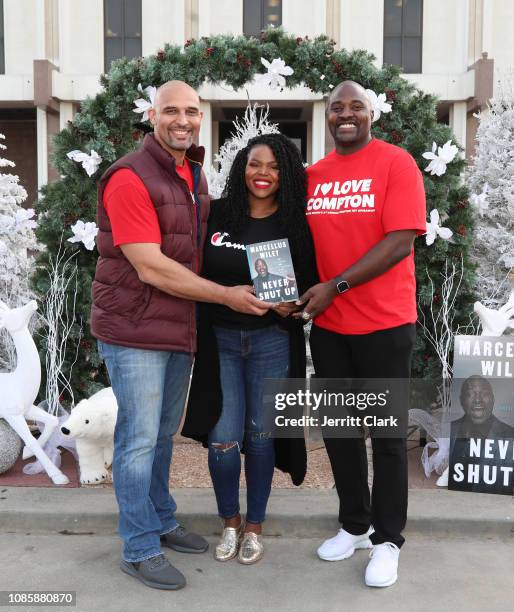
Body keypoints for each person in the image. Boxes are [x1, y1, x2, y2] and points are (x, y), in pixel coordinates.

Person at [91, 80, 270, 591]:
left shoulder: (191, 171)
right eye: (172, 110)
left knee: (162, 436)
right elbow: (150, 266)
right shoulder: (129, 176)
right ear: (152, 115)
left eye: (191, 111)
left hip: (175, 326)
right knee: (138, 440)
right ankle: (138, 545)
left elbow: (205, 243)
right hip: (135, 328)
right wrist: (226, 295)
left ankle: (162, 520)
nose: (183, 119)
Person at [297, 80, 426, 588]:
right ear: (327, 118)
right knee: (341, 433)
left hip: (386, 325)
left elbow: (399, 241)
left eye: (356, 107)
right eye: (336, 108)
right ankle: (354, 523)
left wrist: (337, 285)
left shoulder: (396, 163)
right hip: (329, 327)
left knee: (389, 438)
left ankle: (388, 539)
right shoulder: (313, 176)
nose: (345, 115)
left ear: (371, 115)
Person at [182, 133, 318, 565]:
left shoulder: (295, 225)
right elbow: (194, 272)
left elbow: (308, 289)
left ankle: (255, 526)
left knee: (261, 437)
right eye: (256, 164)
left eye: (275, 167)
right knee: (224, 440)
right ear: (242, 166)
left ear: (288, 175)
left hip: (271, 341)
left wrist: (292, 305)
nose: (264, 174)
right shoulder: (218, 215)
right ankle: (229, 521)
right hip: (219, 340)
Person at [451, 375, 514, 439]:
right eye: (470, 394)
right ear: (461, 400)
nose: (478, 400)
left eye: (485, 394)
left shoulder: (511, 434)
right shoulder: (447, 429)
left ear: (493, 399)